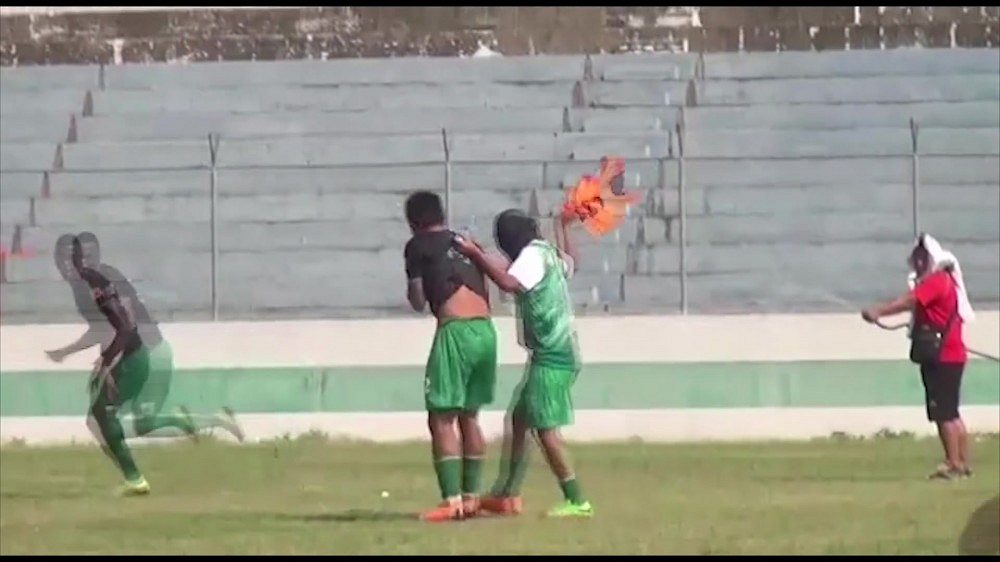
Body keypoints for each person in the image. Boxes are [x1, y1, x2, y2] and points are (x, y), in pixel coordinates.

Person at [49, 233, 243, 496]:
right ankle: (202, 422)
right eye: (63, 259)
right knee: (131, 422)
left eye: (74, 258)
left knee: (106, 418)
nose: (68, 265)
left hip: (148, 352)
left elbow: (122, 326)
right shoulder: (93, 280)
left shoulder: (95, 284)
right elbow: (109, 327)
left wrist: (102, 361)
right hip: (141, 350)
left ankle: (136, 477)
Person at [453, 209, 593, 518]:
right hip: (558, 352)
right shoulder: (545, 253)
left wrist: (476, 255)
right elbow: (572, 262)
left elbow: (507, 282)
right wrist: (562, 227)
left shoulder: (531, 256)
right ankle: (506, 494)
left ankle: (577, 500)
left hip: (552, 356)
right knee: (520, 420)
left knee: (545, 429)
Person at [403, 191, 498, 522]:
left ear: (413, 222)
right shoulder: (464, 242)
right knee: (469, 415)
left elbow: (417, 299)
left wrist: (417, 287)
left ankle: (451, 500)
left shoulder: (417, 246)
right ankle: (471, 498)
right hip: (485, 331)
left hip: (455, 331)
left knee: (440, 415)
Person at [862, 233, 975, 480]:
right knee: (951, 412)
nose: (918, 261)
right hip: (952, 354)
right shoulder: (946, 281)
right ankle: (962, 463)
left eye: (922, 256)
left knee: (943, 413)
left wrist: (879, 310)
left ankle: (953, 463)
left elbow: (910, 300)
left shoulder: (936, 281)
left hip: (942, 356)